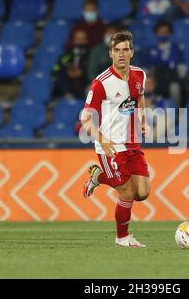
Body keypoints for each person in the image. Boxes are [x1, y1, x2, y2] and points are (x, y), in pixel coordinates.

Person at [80, 31, 150, 248]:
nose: (121, 54)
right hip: (109, 145)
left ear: (132, 52)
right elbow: (85, 118)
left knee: (142, 193)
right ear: (110, 54)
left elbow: (140, 97)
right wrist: (103, 139)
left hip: (132, 143)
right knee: (127, 192)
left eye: (125, 50)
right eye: (117, 50)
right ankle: (122, 238)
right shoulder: (101, 83)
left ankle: (98, 176)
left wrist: (143, 120)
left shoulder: (140, 75)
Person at [141, 21, 183, 104]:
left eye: (166, 32)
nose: (163, 34)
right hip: (155, 78)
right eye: (161, 32)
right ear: (156, 33)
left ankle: (175, 113)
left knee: (175, 88)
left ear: (170, 33)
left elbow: (182, 68)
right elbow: (144, 68)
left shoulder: (176, 48)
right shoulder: (149, 50)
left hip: (172, 78)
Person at [51, 29, 90, 99]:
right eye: (78, 39)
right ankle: (68, 95)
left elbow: (93, 70)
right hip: (66, 85)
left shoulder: (91, 55)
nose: (79, 41)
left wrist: (82, 72)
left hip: (83, 84)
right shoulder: (66, 55)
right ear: (74, 40)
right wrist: (67, 72)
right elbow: (56, 70)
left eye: (82, 39)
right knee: (60, 76)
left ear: (86, 40)